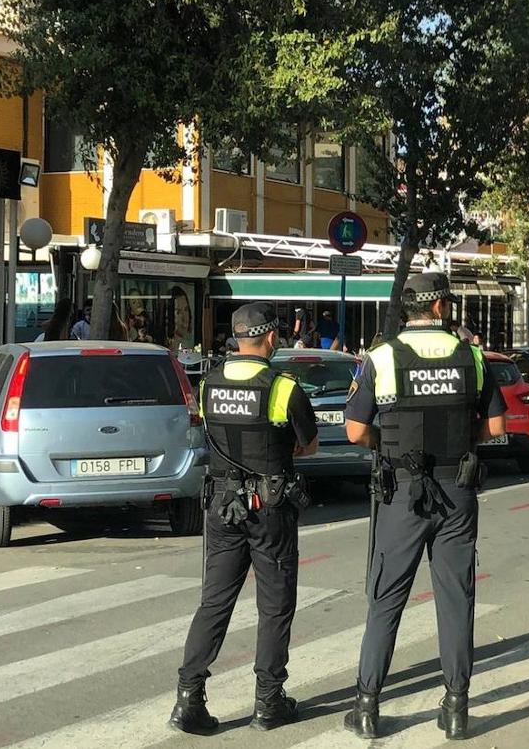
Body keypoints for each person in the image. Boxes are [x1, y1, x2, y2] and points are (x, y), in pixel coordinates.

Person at [341, 272, 506, 741]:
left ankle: (367, 708)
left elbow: (355, 431)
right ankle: (456, 708)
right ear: (440, 308)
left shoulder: (382, 357)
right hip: (457, 489)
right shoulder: (471, 356)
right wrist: (459, 443)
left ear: (410, 309)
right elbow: (496, 424)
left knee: (386, 599)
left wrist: (388, 447)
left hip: (401, 492)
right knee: (456, 598)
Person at [169, 302, 318, 735]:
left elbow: (210, 434)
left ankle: (188, 699)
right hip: (269, 507)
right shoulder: (282, 387)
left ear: (236, 338)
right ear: (271, 337)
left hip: (220, 505)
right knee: (274, 605)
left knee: (214, 602)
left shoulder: (208, 383)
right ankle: (269, 702)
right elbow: (308, 446)